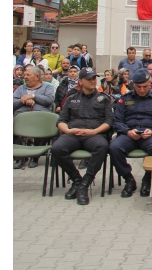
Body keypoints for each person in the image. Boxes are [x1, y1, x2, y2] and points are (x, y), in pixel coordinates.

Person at [51, 68, 113, 205]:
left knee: (102, 146)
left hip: (94, 134)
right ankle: (77, 180)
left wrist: (94, 131)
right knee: (57, 148)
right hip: (73, 134)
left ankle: (85, 183)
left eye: (94, 78)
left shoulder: (104, 99)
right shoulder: (71, 98)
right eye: (89, 79)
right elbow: (61, 121)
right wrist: (68, 131)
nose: (92, 81)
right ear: (80, 81)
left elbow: (109, 122)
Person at [109, 69, 152, 198]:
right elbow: (117, 121)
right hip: (129, 134)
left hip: (150, 134)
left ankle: (147, 179)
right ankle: (128, 179)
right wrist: (127, 131)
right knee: (114, 147)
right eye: (138, 87)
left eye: (145, 87)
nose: (142, 90)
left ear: (150, 84)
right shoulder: (124, 99)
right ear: (133, 84)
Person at [13, 65, 56, 168]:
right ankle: (19, 157)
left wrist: (34, 96)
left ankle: (35, 156)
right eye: (24, 75)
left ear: (37, 77)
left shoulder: (48, 87)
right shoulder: (20, 89)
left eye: (28, 75)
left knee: (46, 125)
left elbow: (49, 100)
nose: (25, 77)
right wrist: (23, 100)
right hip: (21, 117)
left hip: (40, 118)